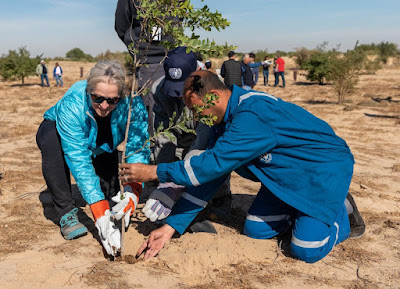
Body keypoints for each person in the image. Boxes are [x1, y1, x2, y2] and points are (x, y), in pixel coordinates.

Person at [119, 70, 366, 263]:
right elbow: (210, 176)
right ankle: (301, 210)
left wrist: (154, 171)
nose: (195, 117)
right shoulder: (224, 119)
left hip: (321, 172)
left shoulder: (250, 117)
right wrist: (170, 228)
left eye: (195, 109)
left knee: (307, 249)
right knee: (256, 229)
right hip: (284, 176)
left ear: (213, 96)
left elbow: (210, 165)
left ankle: (340, 209)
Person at [36, 60, 150, 256]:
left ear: (120, 96)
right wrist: (98, 212)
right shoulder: (73, 105)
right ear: (89, 90)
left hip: (103, 140)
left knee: (111, 195)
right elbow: (78, 159)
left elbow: (137, 146)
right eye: (97, 98)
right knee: (52, 144)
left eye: (112, 100)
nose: (104, 106)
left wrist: (133, 189)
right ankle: (65, 211)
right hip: (58, 131)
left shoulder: (133, 104)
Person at [144, 47, 231, 228]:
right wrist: (164, 178)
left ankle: (221, 197)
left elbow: (203, 140)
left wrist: (176, 184)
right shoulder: (157, 89)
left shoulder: (211, 88)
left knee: (212, 158)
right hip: (181, 135)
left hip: (207, 137)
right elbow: (164, 134)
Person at [115, 0, 177, 136]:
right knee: (153, 121)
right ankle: (153, 154)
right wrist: (140, 48)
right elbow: (122, 24)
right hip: (149, 62)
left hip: (175, 60)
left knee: (175, 115)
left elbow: (180, 15)